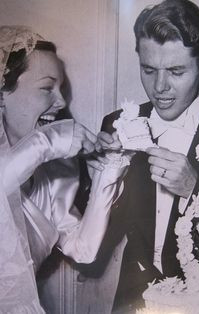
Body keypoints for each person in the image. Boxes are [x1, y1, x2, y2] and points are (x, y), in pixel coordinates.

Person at [76, 0, 199, 313]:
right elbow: (89, 243)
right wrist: (101, 185)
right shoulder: (117, 125)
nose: (159, 87)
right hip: (133, 299)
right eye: (149, 70)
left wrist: (197, 189)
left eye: (176, 71)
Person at [0, 25, 126, 313]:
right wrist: (50, 139)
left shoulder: (54, 174)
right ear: (2, 95)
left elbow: (83, 250)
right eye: (47, 88)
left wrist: (106, 178)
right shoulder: (44, 149)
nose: (61, 102)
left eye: (62, 90)